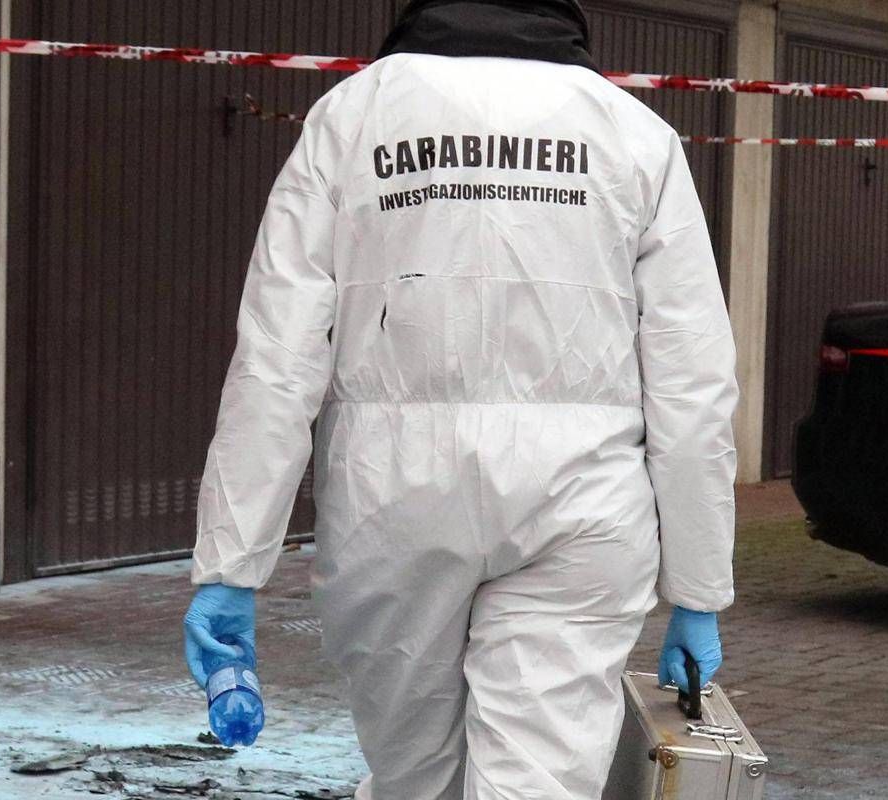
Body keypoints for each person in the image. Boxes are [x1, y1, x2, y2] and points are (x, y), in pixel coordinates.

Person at [182, 0, 739, 797]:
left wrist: (232, 565)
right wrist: (697, 587)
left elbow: (277, 355)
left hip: (392, 502)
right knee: (540, 782)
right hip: (582, 507)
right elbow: (692, 378)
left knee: (414, 779)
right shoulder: (635, 135)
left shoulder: (353, 118)